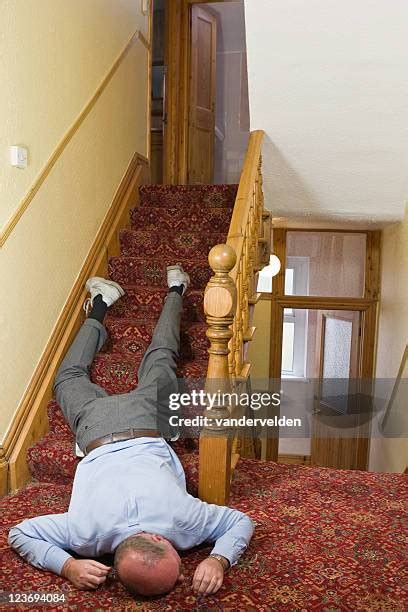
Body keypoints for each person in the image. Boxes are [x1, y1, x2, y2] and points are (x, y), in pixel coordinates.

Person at [8, 265, 254, 598]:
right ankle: (101, 303)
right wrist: (67, 564)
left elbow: (240, 522)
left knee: (161, 357)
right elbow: (19, 534)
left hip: (145, 422)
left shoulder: (185, 522)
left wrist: (217, 559)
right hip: (99, 429)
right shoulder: (84, 536)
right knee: (69, 377)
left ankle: (176, 288)